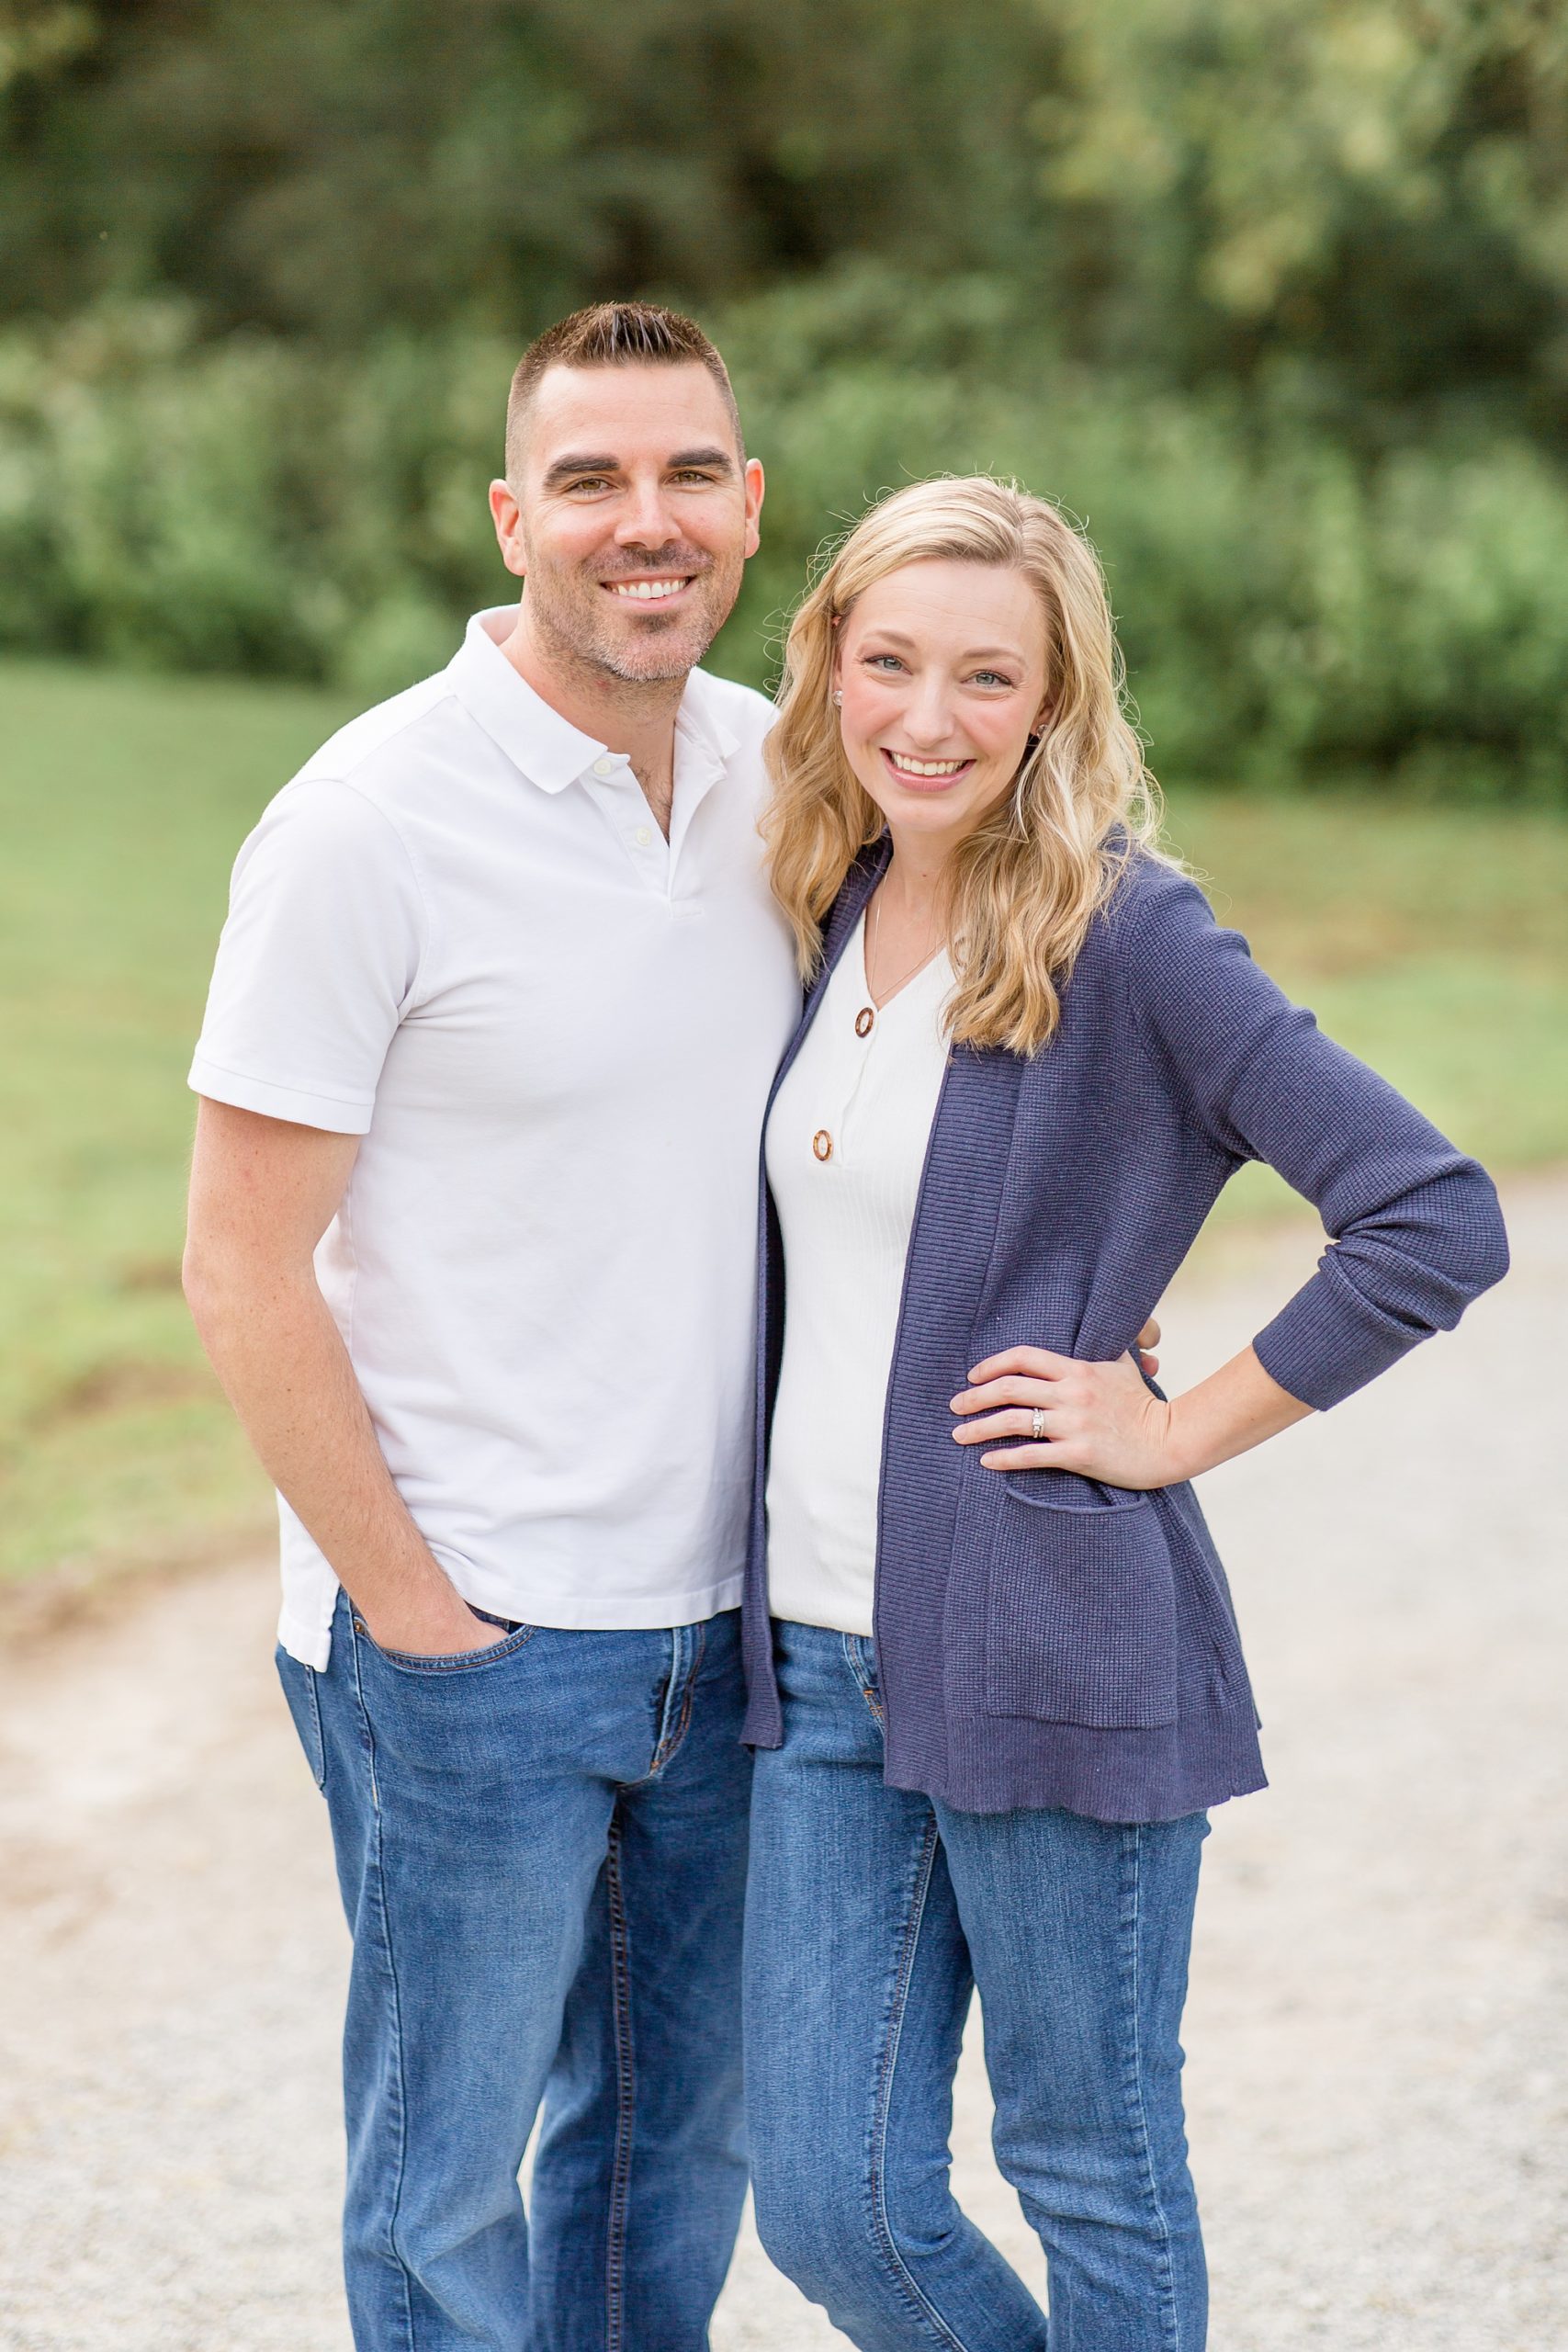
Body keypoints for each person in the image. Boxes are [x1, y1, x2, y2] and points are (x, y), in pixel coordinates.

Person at [739, 475, 1509, 2350]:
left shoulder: (1128, 934)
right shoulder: (824, 901)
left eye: (985, 676)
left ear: (1054, 700)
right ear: (827, 662)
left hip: (1051, 1638)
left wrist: (1168, 1427)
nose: (928, 716)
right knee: (828, 2199)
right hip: (818, 1665)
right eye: (888, 661)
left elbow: (1430, 1215)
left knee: (1088, 2161)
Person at [181, 301, 800, 2352]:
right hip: (472, 1633)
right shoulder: (366, 822)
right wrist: (416, 1614)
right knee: (443, 2199)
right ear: (511, 516)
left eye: (688, 473)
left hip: (732, 1628)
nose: (648, 521)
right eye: (591, 479)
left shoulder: (785, 774)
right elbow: (240, 1264)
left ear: (749, 504)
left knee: (666, 2162)